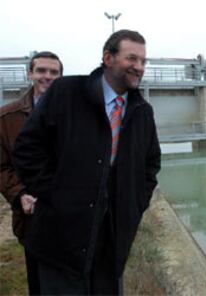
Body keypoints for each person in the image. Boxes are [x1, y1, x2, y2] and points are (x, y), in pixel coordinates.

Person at [12, 29, 161, 295]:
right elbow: (26, 150)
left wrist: (136, 204)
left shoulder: (142, 112)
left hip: (112, 242)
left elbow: (151, 166)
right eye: (131, 58)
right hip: (61, 239)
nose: (139, 67)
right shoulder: (66, 93)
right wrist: (54, 195)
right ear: (108, 57)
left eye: (143, 61)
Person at [0, 51, 63, 295]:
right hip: (32, 217)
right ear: (30, 74)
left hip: (71, 217)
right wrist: (20, 194)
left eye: (54, 72)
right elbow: (2, 166)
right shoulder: (7, 118)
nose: (47, 77)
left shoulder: (78, 115)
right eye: (41, 71)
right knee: (39, 283)